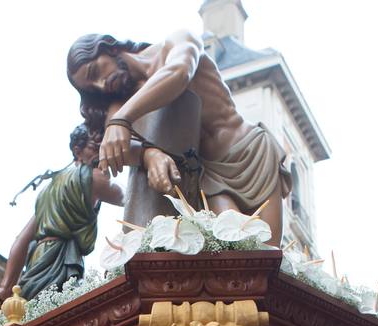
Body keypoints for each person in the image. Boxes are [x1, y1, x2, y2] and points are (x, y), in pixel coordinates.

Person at [67, 32, 291, 244]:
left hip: (252, 152)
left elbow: (179, 72)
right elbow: (116, 147)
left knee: (269, 253)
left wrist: (122, 120)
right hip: (209, 176)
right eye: (93, 88)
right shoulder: (119, 103)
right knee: (239, 250)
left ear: (109, 47)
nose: (101, 84)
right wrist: (147, 154)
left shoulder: (174, 44)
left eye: (95, 72)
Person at [0, 125, 123, 306]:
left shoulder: (49, 188)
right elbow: (131, 196)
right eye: (95, 148)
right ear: (77, 150)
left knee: (34, 313)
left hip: (37, 261)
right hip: (60, 261)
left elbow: (22, 239)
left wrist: (6, 287)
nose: (101, 153)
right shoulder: (91, 176)